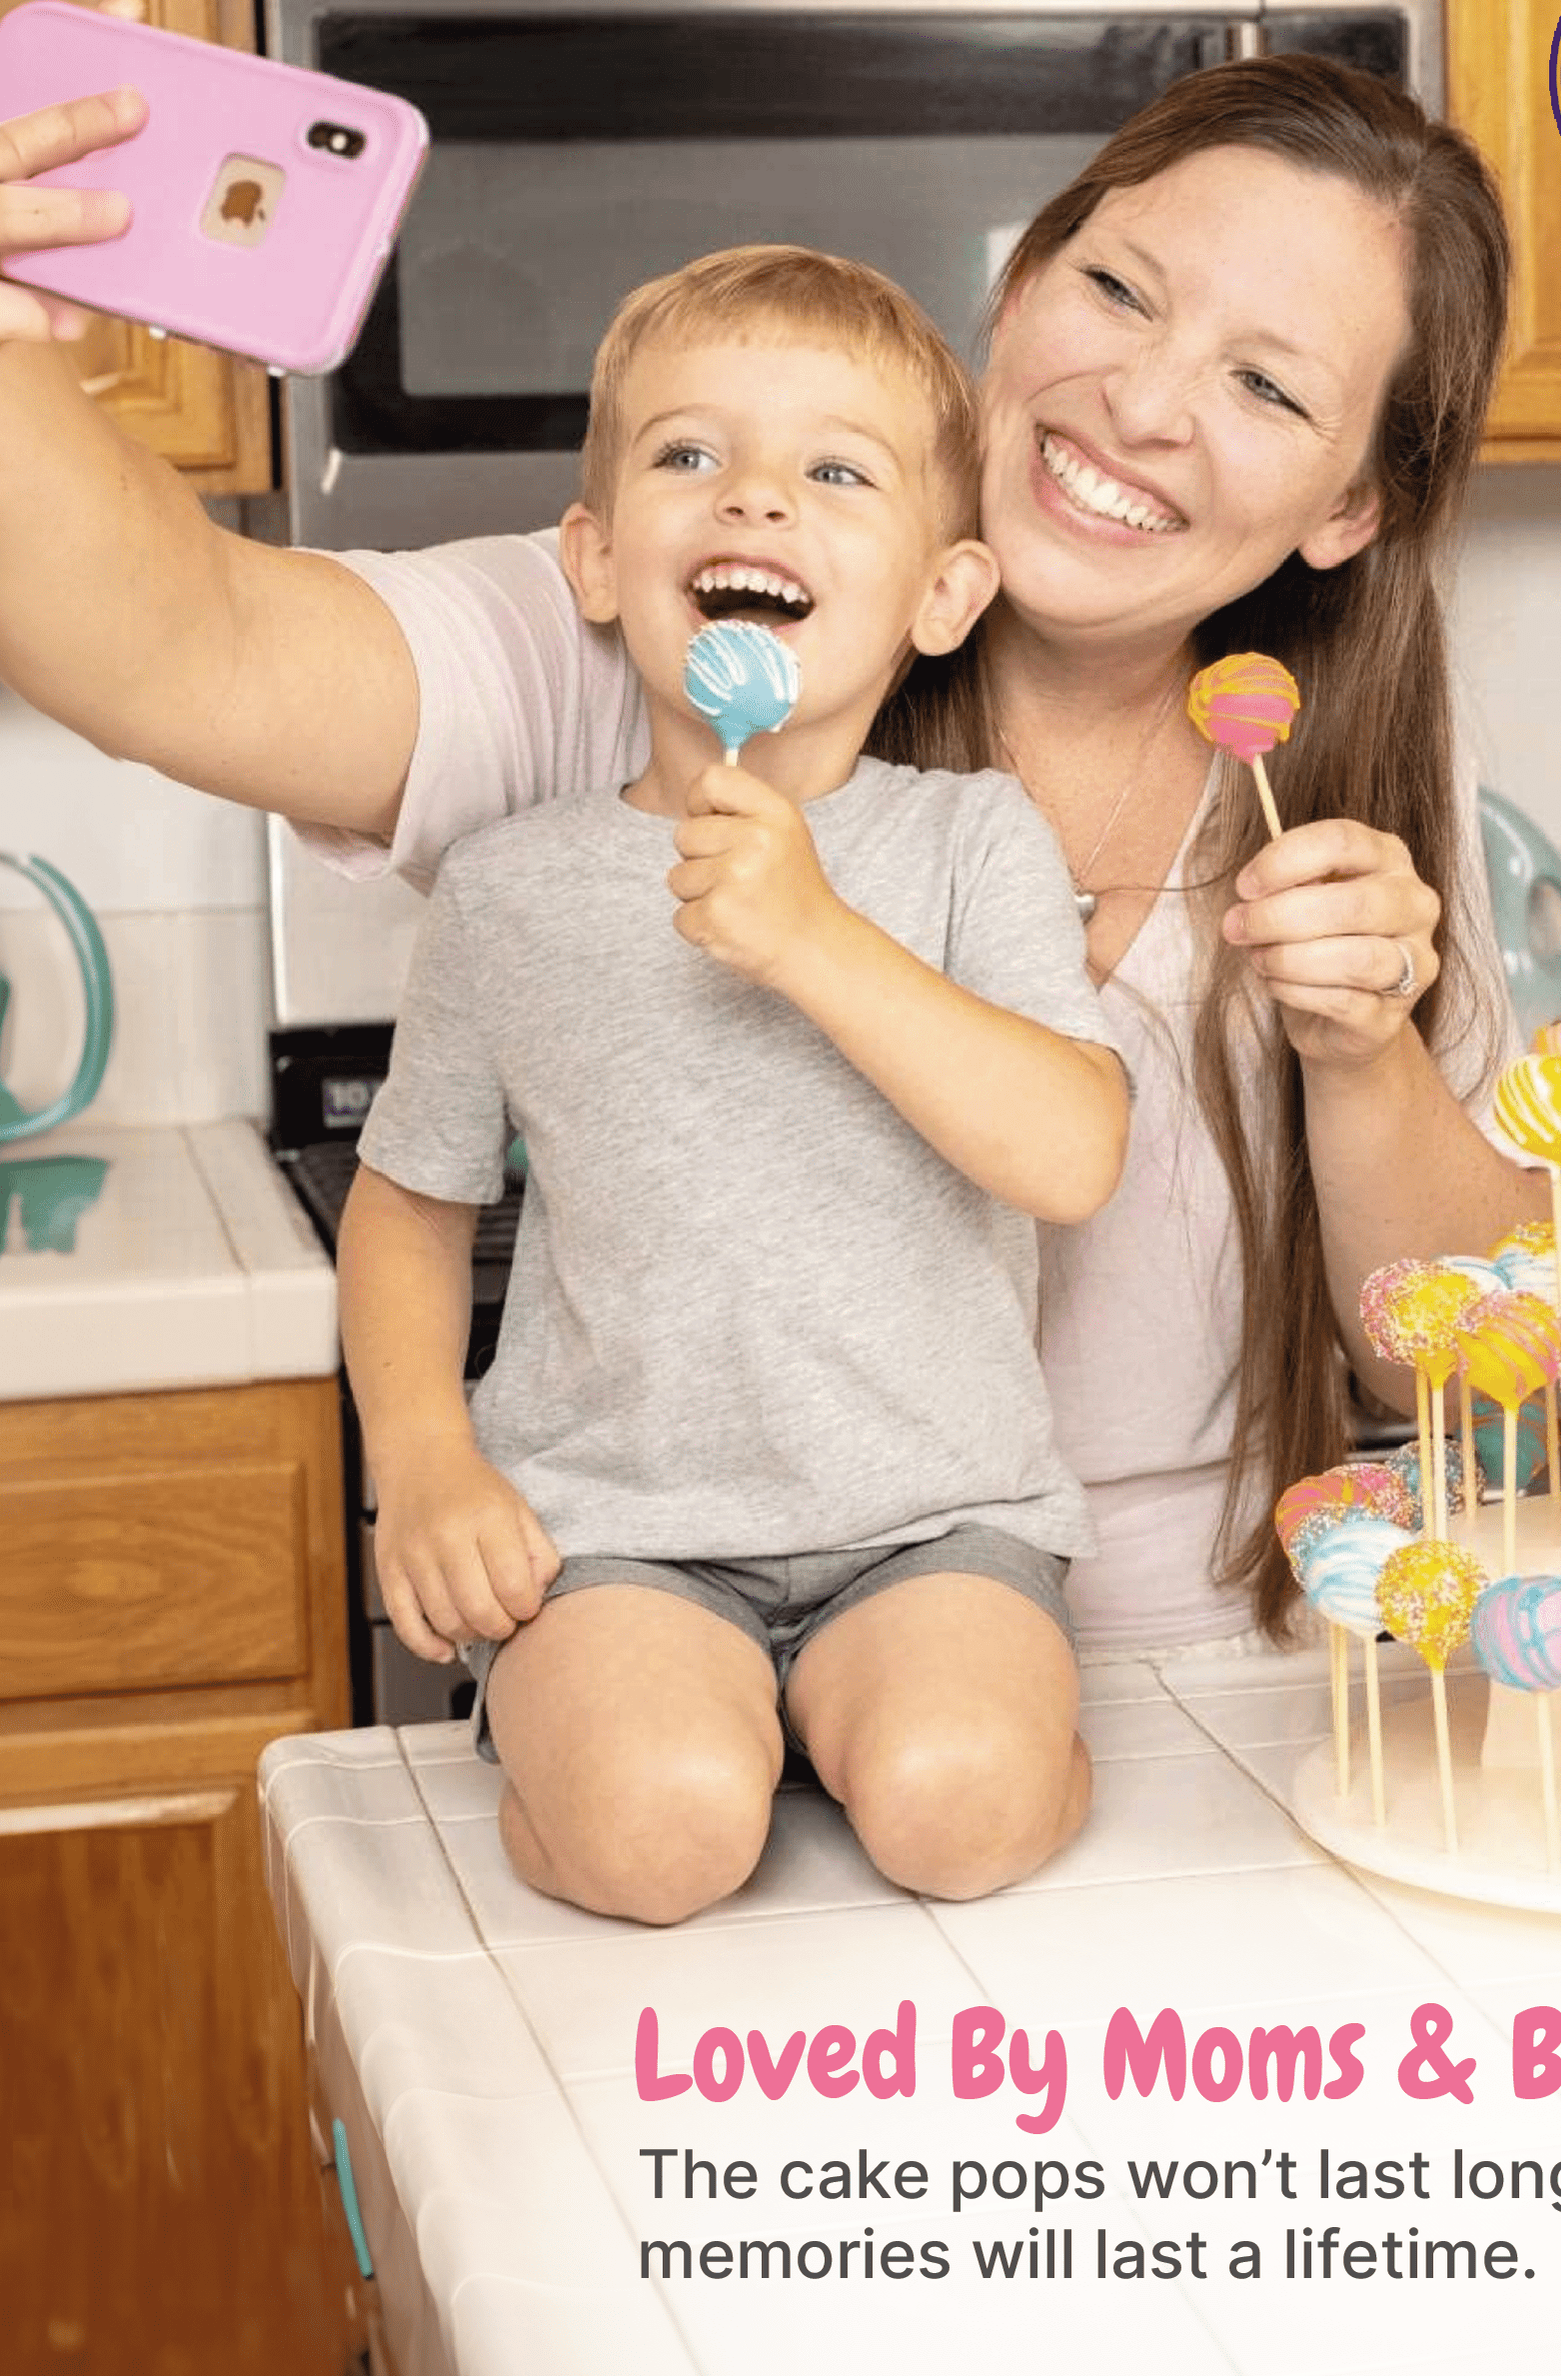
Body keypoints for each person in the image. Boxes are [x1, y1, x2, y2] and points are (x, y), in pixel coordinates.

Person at [0, 48, 1542, 1689]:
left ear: (1350, 507)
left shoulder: (1325, 777)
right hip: (683, 1649)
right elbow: (182, 651)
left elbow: (1479, 1368)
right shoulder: (679, 615)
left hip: (1225, 1673)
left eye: (1268, 387)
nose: (1146, 405)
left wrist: (1361, 1054)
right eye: (1118, 290)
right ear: (1017, 291)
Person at [339, 244, 1128, 1922]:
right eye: (691, 456)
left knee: (956, 1809)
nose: (756, 501)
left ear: (943, 596)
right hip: (615, 1531)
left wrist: (816, 940)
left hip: (934, 1520)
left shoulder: (971, 838)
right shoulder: (509, 887)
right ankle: (633, 1738)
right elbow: (409, 1208)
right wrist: (424, 1462)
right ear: (600, 561)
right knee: (660, 1837)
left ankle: (899, 1733)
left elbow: (1070, 1153)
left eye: (835, 473)